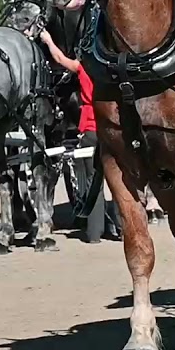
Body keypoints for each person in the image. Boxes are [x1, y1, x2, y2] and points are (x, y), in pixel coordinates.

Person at [39, 29, 121, 243]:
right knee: (121, 180)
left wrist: (48, 39)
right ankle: (122, 228)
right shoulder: (111, 70)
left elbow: (58, 58)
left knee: (92, 182)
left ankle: (94, 233)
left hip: (90, 129)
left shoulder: (83, 68)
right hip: (112, 129)